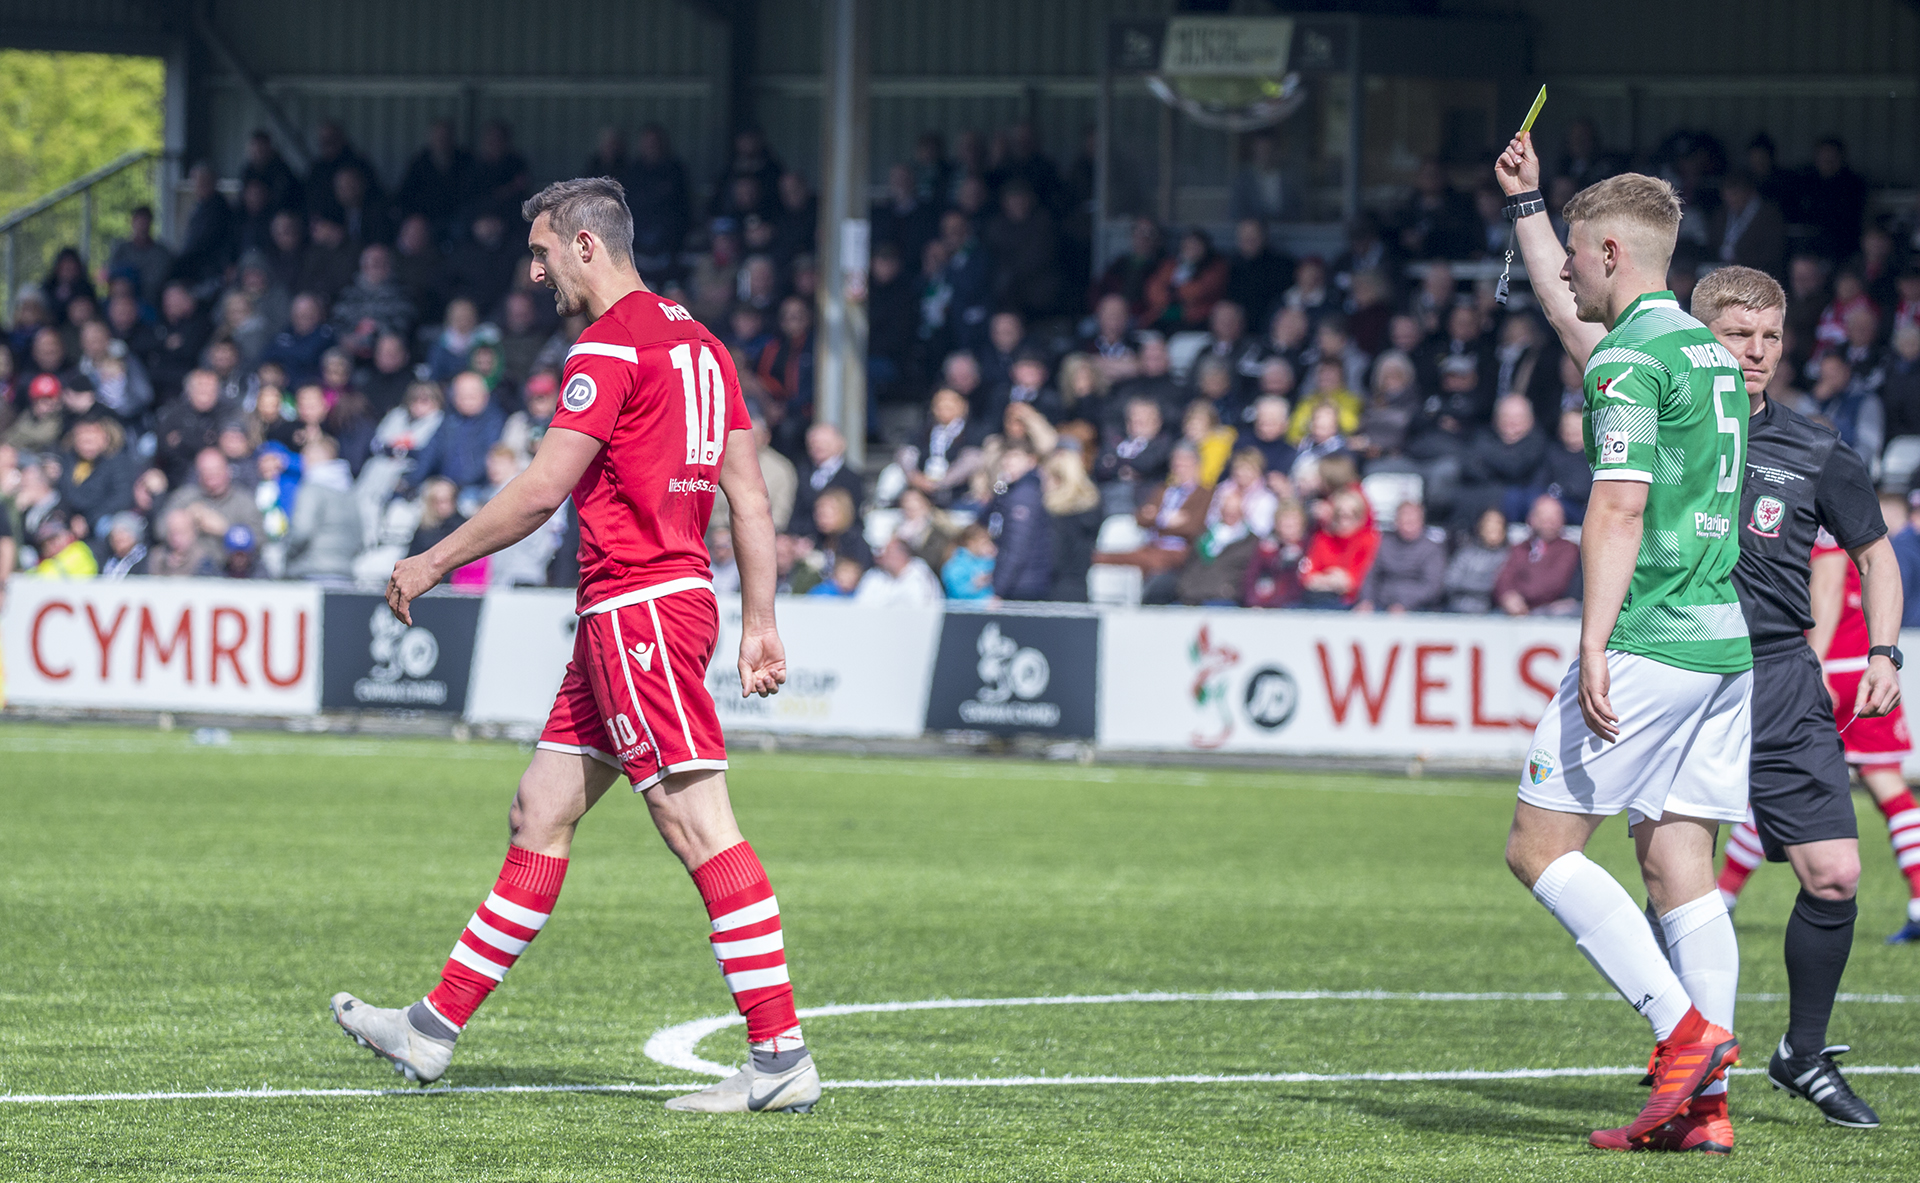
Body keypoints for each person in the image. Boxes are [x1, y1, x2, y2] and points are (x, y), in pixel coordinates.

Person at [331, 177, 819, 1115]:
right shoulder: (705, 347)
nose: (535, 267)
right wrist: (758, 619)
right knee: (539, 810)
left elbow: (542, 490)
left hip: (639, 610)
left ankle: (779, 1053)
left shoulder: (609, 345)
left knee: (699, 825)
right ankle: (433, 1028)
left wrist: (433, 559)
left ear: (588, 247)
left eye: (544, 251)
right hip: (640, 611)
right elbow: (748, 499)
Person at [1495, 135, 1750, 1151]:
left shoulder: (1636, 359)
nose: (1560, 267)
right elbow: (1570, 317)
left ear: (1608, 250)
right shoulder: (1700, 350)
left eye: (1568, 248)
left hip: (1649, 635)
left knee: (1539, 846)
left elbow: (1618, 508)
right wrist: (1526, 202)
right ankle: (1709, 1110)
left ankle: (1682, 1035)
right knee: (1680, 864)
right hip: (1722, 642)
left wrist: (1593, 642)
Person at [1492, 495, 1580, 616]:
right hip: (1515, 612)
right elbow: (1504, 577)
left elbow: (1554, 584)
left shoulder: (1569, 550)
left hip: (1549, 613)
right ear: (1531, 519)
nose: (1549, 522)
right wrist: (1507, 596)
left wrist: (1522, 597)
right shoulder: (1520, 548)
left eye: (1554, 517)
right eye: (1543, 516)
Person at [1356, 500, 1445, 613]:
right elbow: (1371, 575)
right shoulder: (1383, 543)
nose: (1408, 525)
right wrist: (1366, 600)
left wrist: (1404, 603)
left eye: (1412, 521)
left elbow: (1432, 587)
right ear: (1396, 521)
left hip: (1419, 609)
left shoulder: (1432, 549)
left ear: (1421, 522)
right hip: (1380, 604)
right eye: (1404, 520)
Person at [854, 534, 941, 607]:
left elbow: (924, 606)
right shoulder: (874, 576)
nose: (882, 556)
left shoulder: (921, 575)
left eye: (888, 552)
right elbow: (861, 605)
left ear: (902, 555)